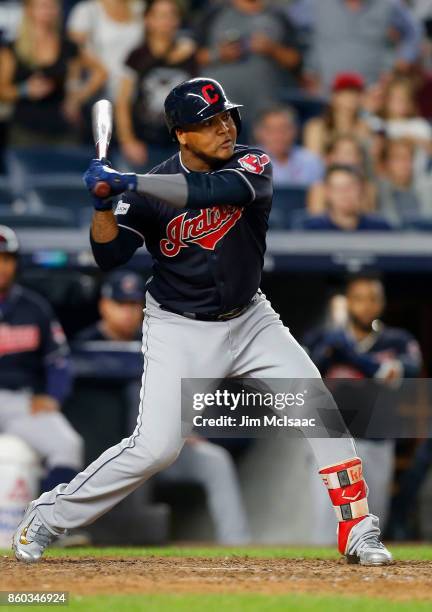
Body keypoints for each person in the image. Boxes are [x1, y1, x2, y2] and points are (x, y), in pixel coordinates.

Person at [13, 77, 392, 566]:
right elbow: (108, 254)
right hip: (180, 325)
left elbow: (216, 190)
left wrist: (128, 182)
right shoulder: (148, 190)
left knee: (319, 409)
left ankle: (358, 529)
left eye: (226, 117)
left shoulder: (251, 164)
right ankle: (49, 516)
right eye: (207, 123)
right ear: (182, 135)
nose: (224, 128)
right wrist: (104, 205)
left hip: (252, 318)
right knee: (155, 449)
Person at [77, 269, 251, 545]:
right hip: (105, 452)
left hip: (163, 447)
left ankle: (239, 545)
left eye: (134, 304)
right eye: (120, 304)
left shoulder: (157, 342)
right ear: (104, 305)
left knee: (215, 461)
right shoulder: (82, 345)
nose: (128, 312)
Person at [304, 275, 422, 536]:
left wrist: (352, 356)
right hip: (331, 438)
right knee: (327, 521)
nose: (366, 305)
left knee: (373, 518)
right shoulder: (324, 338)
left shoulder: (397, 341)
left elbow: (394, 377)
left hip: (376, 438)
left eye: (373, 298)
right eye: (358, 299)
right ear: (347, 302)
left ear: (382, 303)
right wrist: (325, 352)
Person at [0, 225, 84, 494]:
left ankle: (48, 529)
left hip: (21, 402)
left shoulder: (34, 307)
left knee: (68, 445)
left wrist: (53, 396)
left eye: (6, 259)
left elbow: (58, 361)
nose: (1, 266)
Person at [0, 0, 106, 145]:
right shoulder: (12, 48)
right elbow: (2, 91)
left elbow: (100, 72)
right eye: (43, 6)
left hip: (63, 128)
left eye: (52, 6)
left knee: (67, 167)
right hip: (26, 129)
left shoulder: (67, 45)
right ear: (29, 10)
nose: (48, 11)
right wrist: (24, 90)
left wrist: (77, 98)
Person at [116, 0, 197, 168]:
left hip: (180, 147)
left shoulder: (189, 56)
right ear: (148, 20)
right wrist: (128, 140)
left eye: (171, 15)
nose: (167, 20)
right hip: (143, 145)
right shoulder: (136, 56)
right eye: (161, 15)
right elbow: (122, 101)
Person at [196, 0, 301, 122]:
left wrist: (272, 49)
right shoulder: (215, 13)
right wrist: (220, 53)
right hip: (220, 107)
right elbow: (192, 58)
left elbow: (295, 60)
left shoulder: (278, 15)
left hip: (265, 108)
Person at [302, 0, 422, 94]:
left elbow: (414, 31)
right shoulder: (316, 3)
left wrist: (405, 57)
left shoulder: (387, 4)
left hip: (373, 90)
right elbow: (293, 29)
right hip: (328, 90)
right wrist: (308, 69)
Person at [67, 0, 145, 101]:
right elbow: (74, 57)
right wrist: (75, 92)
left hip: (138, 91)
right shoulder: (86, 10)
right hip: (100, 93)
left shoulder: (139, 8)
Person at [301, 165, 392, 231]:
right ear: (328, 193)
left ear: (361, 189)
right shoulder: (312, 229)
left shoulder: (380, 229)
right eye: (338, 188)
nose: (345, 194)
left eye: (350, 187)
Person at [253, 105, 324, 188]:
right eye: (271, 130)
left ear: (295, 131)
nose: (278, 136)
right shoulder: (245, 162)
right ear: (259, 133)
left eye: (284, 129)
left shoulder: (311, 162)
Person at [303, 72, 370, 157]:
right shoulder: (317, 127)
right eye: (345, 94)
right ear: (334, 96)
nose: (350, 99)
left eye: (355, 95)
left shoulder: (364, 127)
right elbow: (313, 161)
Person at [307, 134, 376, 215]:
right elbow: (316, 221)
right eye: (344, 153)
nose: (348, 159)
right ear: (329, 158)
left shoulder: (368, 188)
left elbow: (368, 220)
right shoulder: (319, 189)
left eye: (353, 154)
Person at [377, 138, 432, 227]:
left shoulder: (425, 189)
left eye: (409, 158)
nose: (405, 163)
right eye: (398, 158)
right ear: (387, 163)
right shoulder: (378, 190)